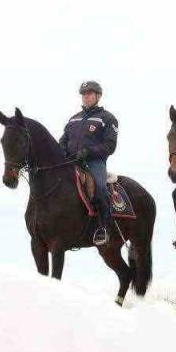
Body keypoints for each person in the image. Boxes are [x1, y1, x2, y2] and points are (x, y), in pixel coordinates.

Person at [59, 80, 119, 246]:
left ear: (98, 96)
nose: (86, 97)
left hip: (94, 162)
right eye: (84, 94)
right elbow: (63, 140)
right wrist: (62, 151)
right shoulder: (73, 119)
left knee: (100, 188)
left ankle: (103, 227)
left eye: (89, 94)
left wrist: (89, 152)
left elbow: (110, 145)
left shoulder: (107, 118)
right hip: (71, 161)